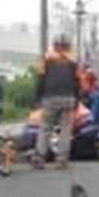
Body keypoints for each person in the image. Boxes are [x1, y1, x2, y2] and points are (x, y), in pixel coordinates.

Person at [34, 33, 82, 170]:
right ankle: (62, 160)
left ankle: (39, 158)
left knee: (45, 127)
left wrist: (37, 98)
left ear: (54, 45)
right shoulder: (73, 60)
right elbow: (78, 82)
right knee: (66, 130)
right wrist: (77, 99)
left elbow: (41, 79)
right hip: (68, 99)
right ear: (68, 46)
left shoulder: (47, 58)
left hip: (50, 98)